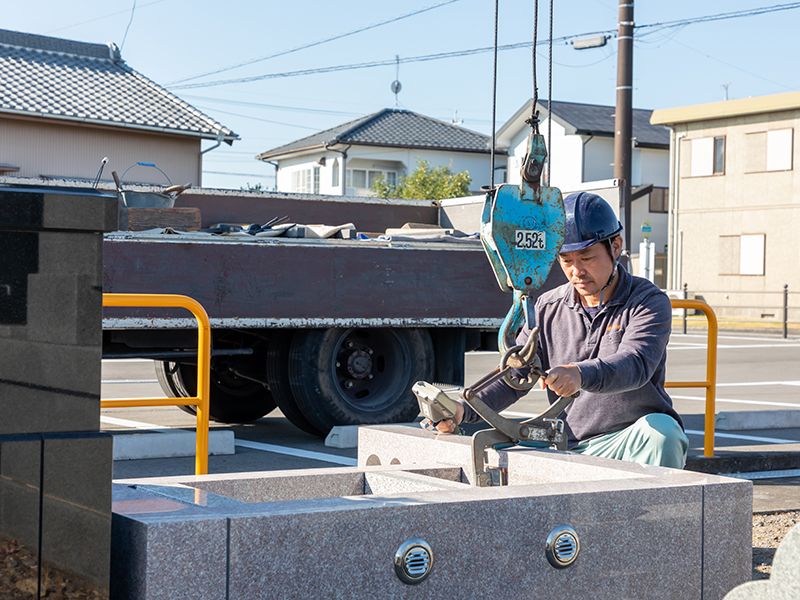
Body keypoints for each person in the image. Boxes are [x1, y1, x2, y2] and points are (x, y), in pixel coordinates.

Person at [436, 191, 688, 469]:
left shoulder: (648, 301)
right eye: (566, 260)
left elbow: (636, 363)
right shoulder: (547, 306)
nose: (576, 271)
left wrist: (580, 374)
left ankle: (662, 511)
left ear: (616, 247)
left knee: (663, 433)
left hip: (630, 440)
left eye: (587, 257)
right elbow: (516, 374)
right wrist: (462, 410)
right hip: (570, 444)